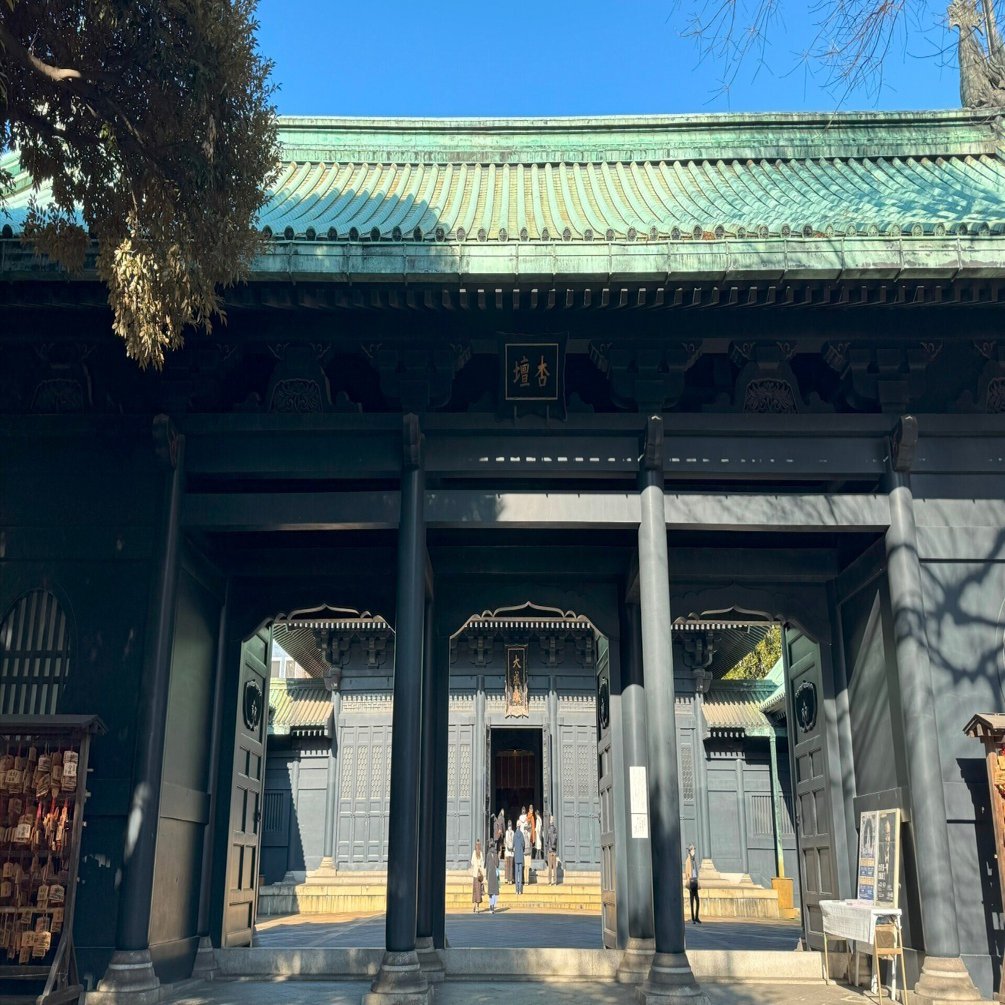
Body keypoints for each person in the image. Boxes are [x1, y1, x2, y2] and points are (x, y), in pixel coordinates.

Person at [684, 843, 701, 924]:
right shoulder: (688, 860)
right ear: (690, 851)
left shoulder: (695, 859)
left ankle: (697, 917)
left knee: (697, 900)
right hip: (691, 881)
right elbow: (687, 872)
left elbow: (697, 870)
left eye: (694, 849)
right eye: (692, 849)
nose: (694, 851)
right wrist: (688, 881)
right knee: (691, 901)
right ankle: (693, 918)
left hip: (695, 881)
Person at [470, 839, 485, 913]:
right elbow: (482, 863)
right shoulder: (481, 853)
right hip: (479, 875)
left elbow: (472, 862)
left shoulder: (474, 853)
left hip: (475, 874)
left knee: (475, 890)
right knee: (479, 890)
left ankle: (474, 906)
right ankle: (478, 907)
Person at [513, 819, 526, 894]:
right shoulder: (521, 834)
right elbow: (523, 844)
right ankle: (520, 890)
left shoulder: (515, 835)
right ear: (520, 826)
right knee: (520, 873)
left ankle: (516, 890)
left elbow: (513, 844)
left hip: (516, 855)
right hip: (521, 855)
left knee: (516, 873)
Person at [486, 843, 500, 913]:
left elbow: (487, 866)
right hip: (495, 874)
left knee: (490, 892)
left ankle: (490, 905)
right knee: (494, 891)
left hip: (490, 874)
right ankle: (493, 906)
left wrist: (486, 876)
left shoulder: (488, 855)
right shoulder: (496, 854)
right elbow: (497, 864)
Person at [545, 814, 559, 884]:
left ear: (550, 822)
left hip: (550, 851)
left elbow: (547, 841)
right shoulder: (555, 830)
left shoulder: (548, 830)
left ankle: (550, 881)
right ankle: (555, 881)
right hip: (554, 851)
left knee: (550, 867)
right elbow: (556, 840)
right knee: (555, 867)